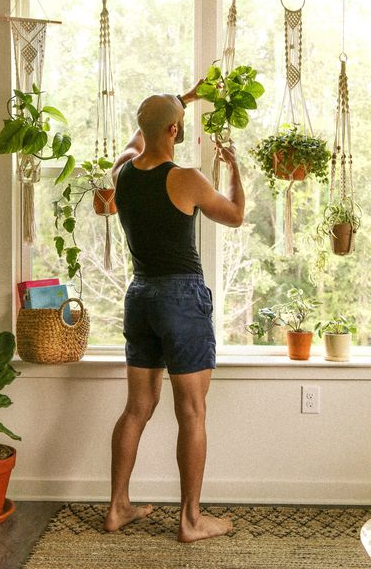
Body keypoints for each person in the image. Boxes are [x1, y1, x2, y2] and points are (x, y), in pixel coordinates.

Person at [103, 81, 244, 543]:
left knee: (136, 409)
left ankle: (118, 506)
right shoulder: (185, 178)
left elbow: (137, 136)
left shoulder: (123, 171)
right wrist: (234, 168)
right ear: (175, 131)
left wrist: (180, 100)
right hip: (180, 298)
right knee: (193, 411)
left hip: (139, 297)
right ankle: (190, 520)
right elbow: (235, 215)